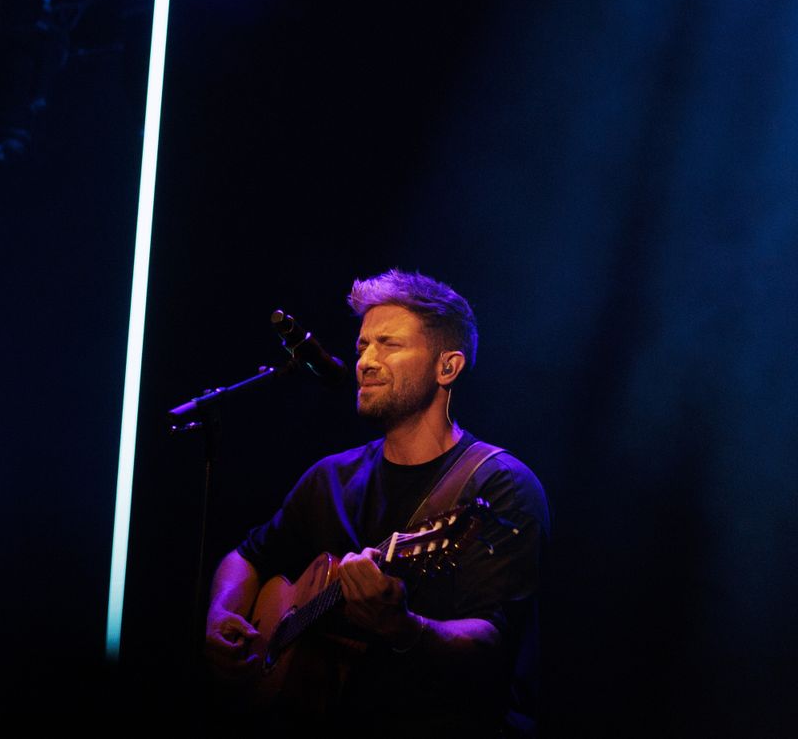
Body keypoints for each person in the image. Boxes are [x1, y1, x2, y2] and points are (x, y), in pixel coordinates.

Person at [203, 270, 549, 736]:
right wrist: (221, 615)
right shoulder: (330, 477)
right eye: (363, 345)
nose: (365, 360)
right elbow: (246, 557)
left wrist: (403, 626)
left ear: (447, 367)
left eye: (389, 344)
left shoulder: (497, 485)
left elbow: (493, 641)